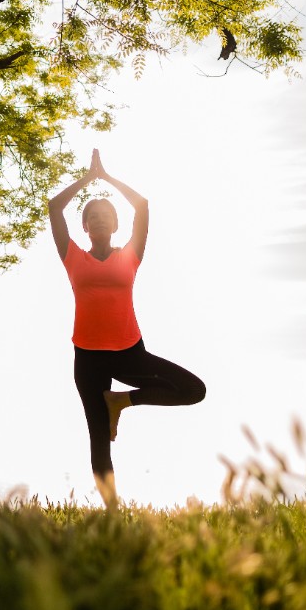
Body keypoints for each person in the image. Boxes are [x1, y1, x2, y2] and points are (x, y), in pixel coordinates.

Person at [48, 149, 206, 506]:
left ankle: (122, 400)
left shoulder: (130, 254)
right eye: (93, 217)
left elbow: (143, 206)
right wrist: (89, 180)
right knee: (98, 439)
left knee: (193, 390)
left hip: (130, 354)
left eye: (107, 215)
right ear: (84, 227)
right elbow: (55, 208)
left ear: (116, 224)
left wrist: (109, 178)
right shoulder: (73, 257)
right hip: (88, 359)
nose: (100, 220)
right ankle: (112, 514)